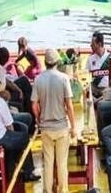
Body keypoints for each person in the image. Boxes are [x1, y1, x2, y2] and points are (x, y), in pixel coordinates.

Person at [0, 70, 37, 182]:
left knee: (20, 129)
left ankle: (14, 165)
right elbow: (9, 127)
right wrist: (14, 135)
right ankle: (28, 172)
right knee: (23, 138)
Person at [33, 49, 75, 193]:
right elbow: (69, 105)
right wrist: (74, 127)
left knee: (48, 162)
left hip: (46, 128)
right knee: (62, 163)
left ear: (45, 63)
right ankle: (63, 190)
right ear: (57, 62)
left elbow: (34, 105)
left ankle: (48, 190)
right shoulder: (64, 78)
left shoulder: (38, 79)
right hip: (61, 127)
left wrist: (39, 120)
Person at [87, 32, 111, 99]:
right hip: (94, 90)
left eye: (93, 44)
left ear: (99, 44)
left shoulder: (110, 58)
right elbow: (86, 76)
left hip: (106, 90)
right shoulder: (90, 59)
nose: (91, 45)